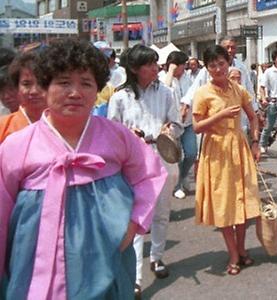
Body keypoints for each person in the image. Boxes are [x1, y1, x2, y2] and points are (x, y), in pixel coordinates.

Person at [0, 38, 166, 299]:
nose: (75, 92)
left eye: (86, 83)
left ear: (97, 89)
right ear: (46, 86)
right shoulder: (16, 146)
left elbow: (149, 174)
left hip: (107, 255)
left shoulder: (118, 136)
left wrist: (134, 223)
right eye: (64, 82)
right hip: (36, 262)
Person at [107, 45, 181, 291]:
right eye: (149, 64)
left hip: (163, 157)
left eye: (155, 63)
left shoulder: (167, 93)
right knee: (136, 219)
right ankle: (136, 277)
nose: (155, 68)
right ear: (134, 68)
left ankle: (157, 258)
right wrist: (128, 134)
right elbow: (111, 131)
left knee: (161, 212)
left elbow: (177, 122)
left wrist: (169, 130)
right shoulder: (119, 97)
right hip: (133, 162)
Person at [193, 45, 261, 276]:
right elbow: (196, 127)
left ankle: (241, 248)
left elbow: (254, 117)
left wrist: (255, 142)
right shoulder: (203, 93)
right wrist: (220, 115)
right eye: (212, 65)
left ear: (228, 63)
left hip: (239, 148)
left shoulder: (239, 89)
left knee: (242, 201)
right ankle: (233, 254)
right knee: (223, 204)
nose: (218, 68)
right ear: (207, 68)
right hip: (216, 151)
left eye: (221, 63)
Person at [162, 50, 196, 200]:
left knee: (191, 153)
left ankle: (182, 177)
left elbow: (193, 95)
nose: (184, 68)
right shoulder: (164, 78)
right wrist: (170, 72)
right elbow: (164, 93)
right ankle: (177, 186)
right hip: (172, 125)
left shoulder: (188, 78)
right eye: (182, 65)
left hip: (188, 123)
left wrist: (187, 108)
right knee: (176, 157)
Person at [0, 50, 46, 144]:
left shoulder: (69, 125)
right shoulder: (3, 127)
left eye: (41, 83)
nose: (34, 91)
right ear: (17, 87)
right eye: (26, 84)